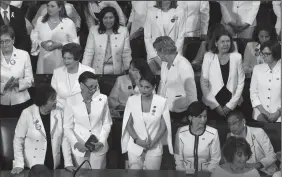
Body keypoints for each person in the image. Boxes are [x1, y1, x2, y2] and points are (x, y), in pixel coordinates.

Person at [11, 84, 75, 174]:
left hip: (53, 163)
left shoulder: (60, 113)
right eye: (52, 99)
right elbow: (18, 139)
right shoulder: (27, 113)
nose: (56, 101)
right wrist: (18, 164)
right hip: (33, 166)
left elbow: (65, 139)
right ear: (43, 101)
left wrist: (68, 163)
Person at [121, 72, 173, 170]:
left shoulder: (161, 102)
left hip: (154, 146)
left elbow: (163, 126)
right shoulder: (132, 100)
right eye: (141, 86)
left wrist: (153, 143)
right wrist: (137, 141)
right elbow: (128, 124)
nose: (143, 90)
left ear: (154, 87)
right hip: (135, 146)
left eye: (147, 87)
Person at [64, 71, 112, 169]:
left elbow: (107, 123)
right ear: (81, 85)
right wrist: (75, 143)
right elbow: (67, 127)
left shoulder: (103, 99)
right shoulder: (71, 100)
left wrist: (102, 141)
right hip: (80, 146)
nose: (93, 90)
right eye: (91, 87)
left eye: (96, 86)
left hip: (99, 146)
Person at [200, 29, 245, 120]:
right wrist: (215, 106)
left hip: (233, 101)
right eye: (222, 42)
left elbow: (241, 82)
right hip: (212, 101)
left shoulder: (237, 57)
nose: (226, 44)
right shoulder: (208, 56)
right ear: (216, 43)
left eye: (228, 41)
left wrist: (230, 105)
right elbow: (204, 83)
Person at [154, 36, 197, 123]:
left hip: (182, 113)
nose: (157, 54)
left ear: (162, 50)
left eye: (157, 51)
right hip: (166, 110)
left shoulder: (184, 65)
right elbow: (162, 85)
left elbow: (192, 94)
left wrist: (190, 115)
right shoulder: (164, 64)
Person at [30, 1, 78, 74]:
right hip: (43, 63)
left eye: (52, 6)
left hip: (61, 63)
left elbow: (75, 44)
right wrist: (41, 43)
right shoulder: (40, 20)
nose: (49, 8)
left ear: (60, 7)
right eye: (48, 6)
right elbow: (34, 36)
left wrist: (61, 44)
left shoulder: (68, 23)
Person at [174, 101, 221, 174]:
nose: (203, 120)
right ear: (190, 118)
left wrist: (206, 173)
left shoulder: (213, 133)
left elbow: (215, 160)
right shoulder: (180, 132)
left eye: (205, 116)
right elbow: (178, 159)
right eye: (199, 116)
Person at [82, 6, 131, 75]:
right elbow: (88, 52)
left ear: (115, 18)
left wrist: (128, 72)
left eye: (111, 17)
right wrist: (84, 72)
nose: (108, 21)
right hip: (97, 72)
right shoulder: (93, 30)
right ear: (101, 19)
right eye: (105, 18)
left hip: (117, 72)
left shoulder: (123, 31)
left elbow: (126, 53)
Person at [226, 110, 278, 176]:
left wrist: (257, 165)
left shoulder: (259, 132)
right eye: (229, 124)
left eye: (234, 123)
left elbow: (272, 156)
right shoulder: (230, 137)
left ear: (243, 121)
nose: (231, 127)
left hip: (265, 171)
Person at [0, 25, 33, 118]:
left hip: (22, 102)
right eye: (1, 42)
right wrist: (4, 86)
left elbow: (30, 79)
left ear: (13, 40)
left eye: (7, 41)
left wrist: (18, 83)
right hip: (2, 103)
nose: (4, 44)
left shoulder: (24, 55)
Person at [144, 0, 185, 75]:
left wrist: (171, 57)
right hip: (155, 56)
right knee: (157, 72)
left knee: (172, 74)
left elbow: (180, 37)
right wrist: (158, 59)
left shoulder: (180, 11)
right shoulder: (151, 11)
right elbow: (147, 38)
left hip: (173, 55)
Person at [51, 43, 95, 109]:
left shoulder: (89, 72)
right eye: (64, 58)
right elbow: (53, 96)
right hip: (61, 110)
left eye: (69, 58)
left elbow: (94, 95)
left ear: (77, 59)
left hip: (82, 111)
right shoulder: (57, 72)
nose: (66, 61)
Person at [250, 40, 281, 122]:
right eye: (262, 53)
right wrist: (264, 112)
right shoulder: (257, 69)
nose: (263, 56)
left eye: (267, 54)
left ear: (275, 53)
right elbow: (253, 93)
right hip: (260, 115)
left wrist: (278, 113)